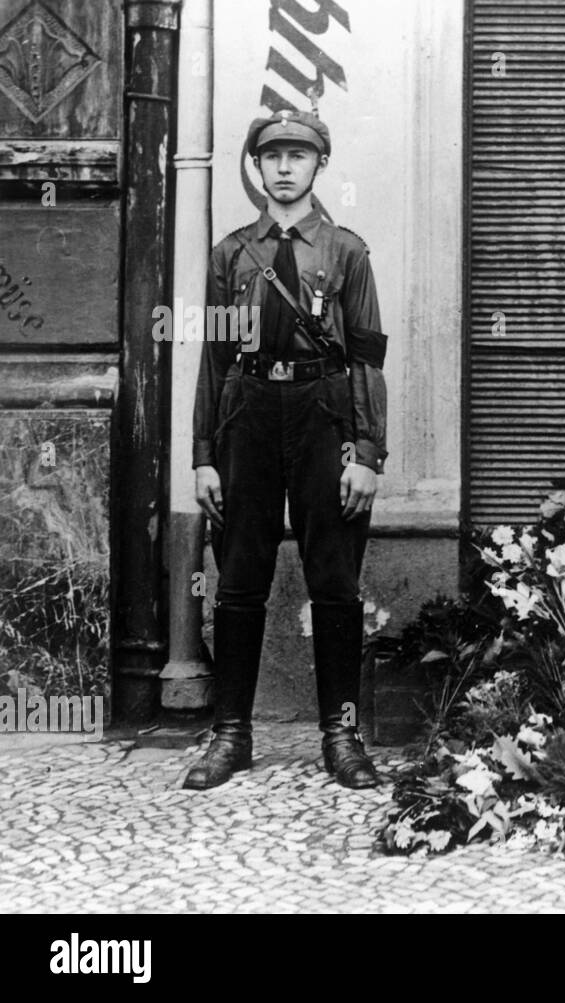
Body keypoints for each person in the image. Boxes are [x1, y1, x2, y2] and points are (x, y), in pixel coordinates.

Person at [185, 109, 389, 789]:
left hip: (321, 411)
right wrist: (204, 453)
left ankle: (342, 734)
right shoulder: (230, 254)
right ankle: (231, 733)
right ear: (258, 166)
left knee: (334, 581)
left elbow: (365, 360)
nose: (283, 166)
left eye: (298, 154)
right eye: (271, 155)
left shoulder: (346, 252)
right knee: (240, 578)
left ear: (318, 165)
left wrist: (366, 451)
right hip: (246, 412)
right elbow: (213, 360)